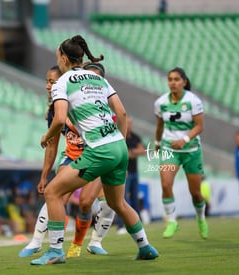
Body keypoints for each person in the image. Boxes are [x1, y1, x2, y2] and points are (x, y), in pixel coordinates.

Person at [30, 35, 158, 265]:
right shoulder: (98, 78)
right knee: (118, 203)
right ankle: (145, 246)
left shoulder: (63, 82)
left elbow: (59, 119)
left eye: (58, 55)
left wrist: (46, 136)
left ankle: (56, 251)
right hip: (119, 147)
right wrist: (119, 139)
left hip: (98, 149)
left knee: (52, 192)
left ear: (63, 57)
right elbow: (123, 113)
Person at [19, 65, 115, 258]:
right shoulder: (58, 107)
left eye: (52, 82)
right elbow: (52, 145)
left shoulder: (100, 107)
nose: (48, 86)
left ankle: (91, 242)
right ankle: (37, 241)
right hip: (72, 156)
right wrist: (44, 175)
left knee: (91, 203)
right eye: (47, 82)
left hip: (97, 155)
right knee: (56, 193)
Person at [154, 67, 208, 239]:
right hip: (170, 149)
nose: (173, 82)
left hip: (191, 150)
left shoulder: (193, 101)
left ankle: (201, 218)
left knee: (196, 192)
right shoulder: (160, 102)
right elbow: (160, 125)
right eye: (170, 79)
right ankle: (171, 221)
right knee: (165, 184)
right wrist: (157, 143)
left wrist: (184, 140)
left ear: (184, 82)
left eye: (177, 79)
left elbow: (199, 126)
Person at [116, 116, 146, 234]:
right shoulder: (120, 137)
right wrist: (134, 152)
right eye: (128, 123)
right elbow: (122, 154)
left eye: (131, 123)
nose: (130, 126)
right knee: (122, 199)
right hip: (124, 173)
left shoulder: (135, 137)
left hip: (134, 172)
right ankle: (121, 225)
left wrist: (132, 152)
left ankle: (138, 224)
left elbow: (143, 150)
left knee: (134, 198)